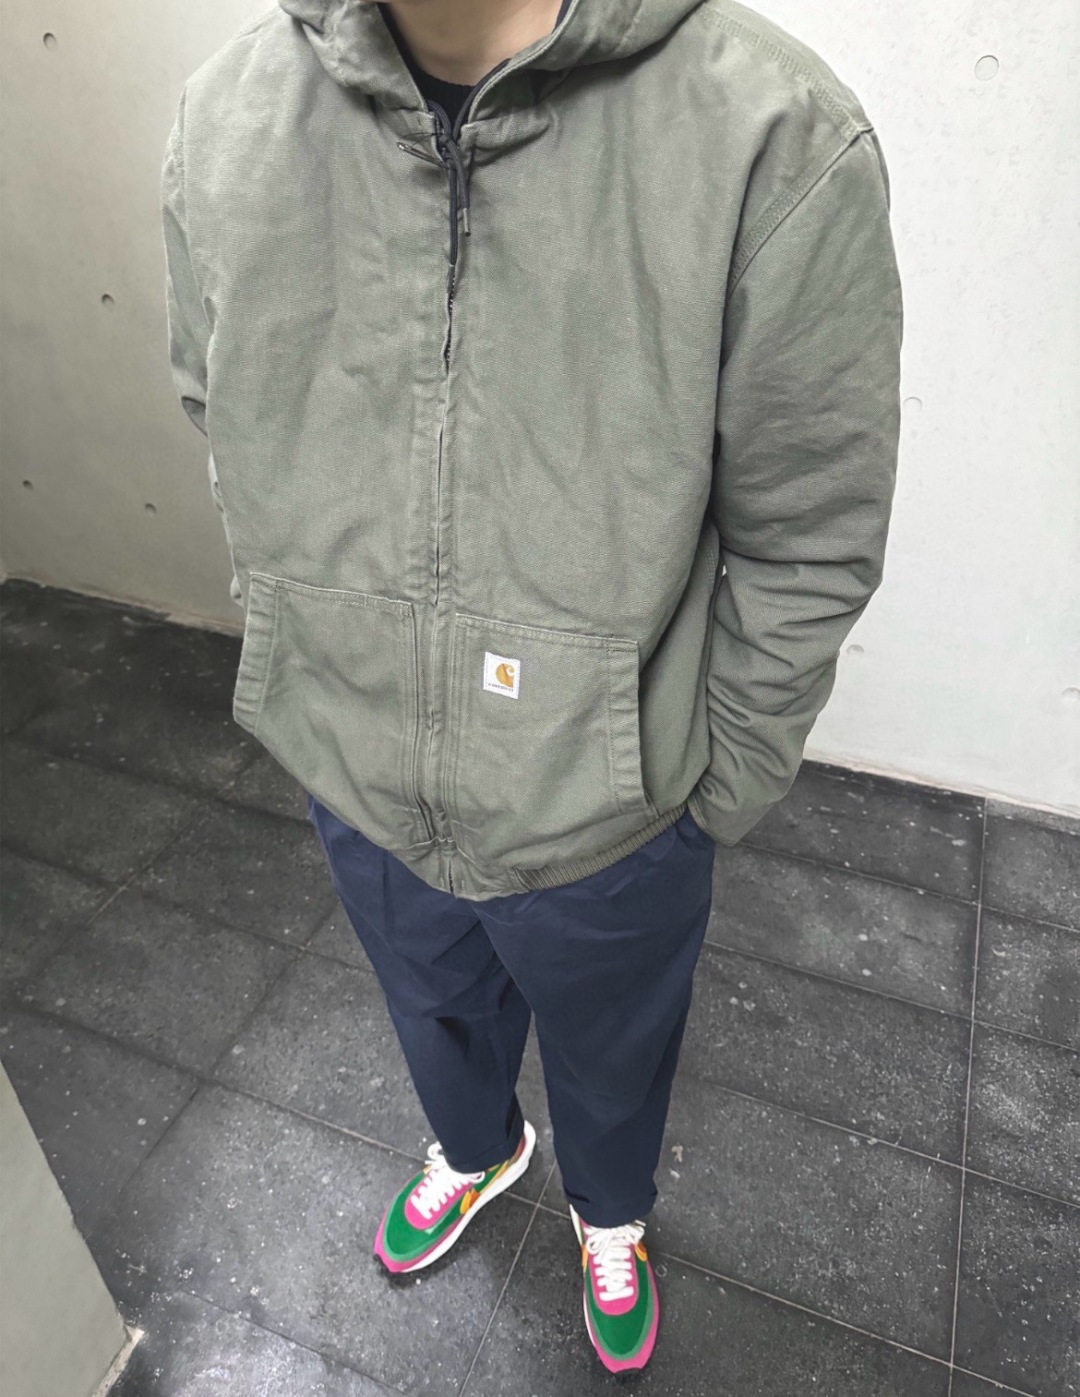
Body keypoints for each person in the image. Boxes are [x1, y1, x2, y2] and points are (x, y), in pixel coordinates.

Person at [160, 0, 902, 1373]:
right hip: (354, 766)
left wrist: (717, 782)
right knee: (430, 1005)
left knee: (614, 1046)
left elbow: (811, 522)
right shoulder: (230, 113)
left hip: (613, 805)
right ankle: (475, 1147)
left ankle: (609, 1211)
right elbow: (219, 407)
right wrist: (307, 646)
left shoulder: (770, 130)